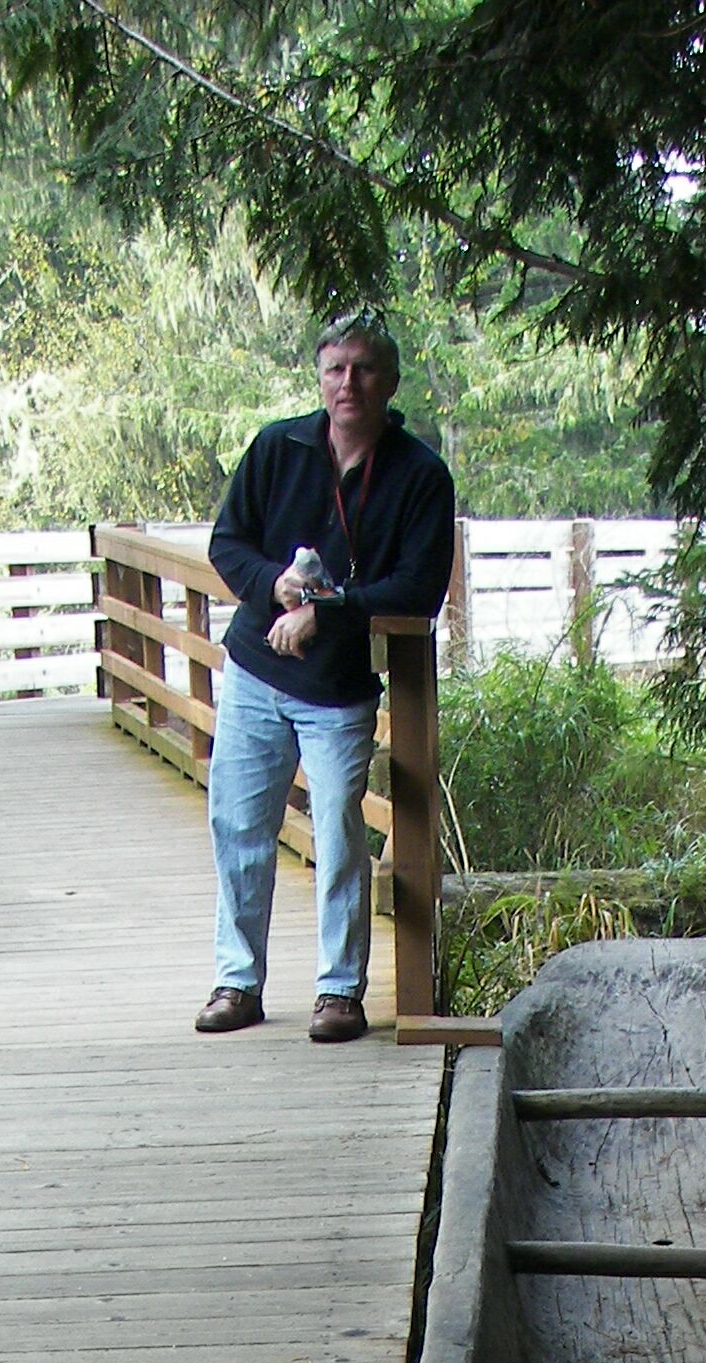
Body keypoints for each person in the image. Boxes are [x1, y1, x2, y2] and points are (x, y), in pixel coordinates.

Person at [195, 313, 455, 1043]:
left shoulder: (420, 476)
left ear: (390, 381)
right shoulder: (278, 448)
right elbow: (227, 542)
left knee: (339, 834)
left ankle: (339, 991)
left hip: (337, 689)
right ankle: (236, 981)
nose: (350, 383)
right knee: (239, 826)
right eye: (336, 368)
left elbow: (417, 588)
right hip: (254, 671)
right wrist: (273, 585)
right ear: (319, 375)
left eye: (365, 369)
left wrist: (328, 612)